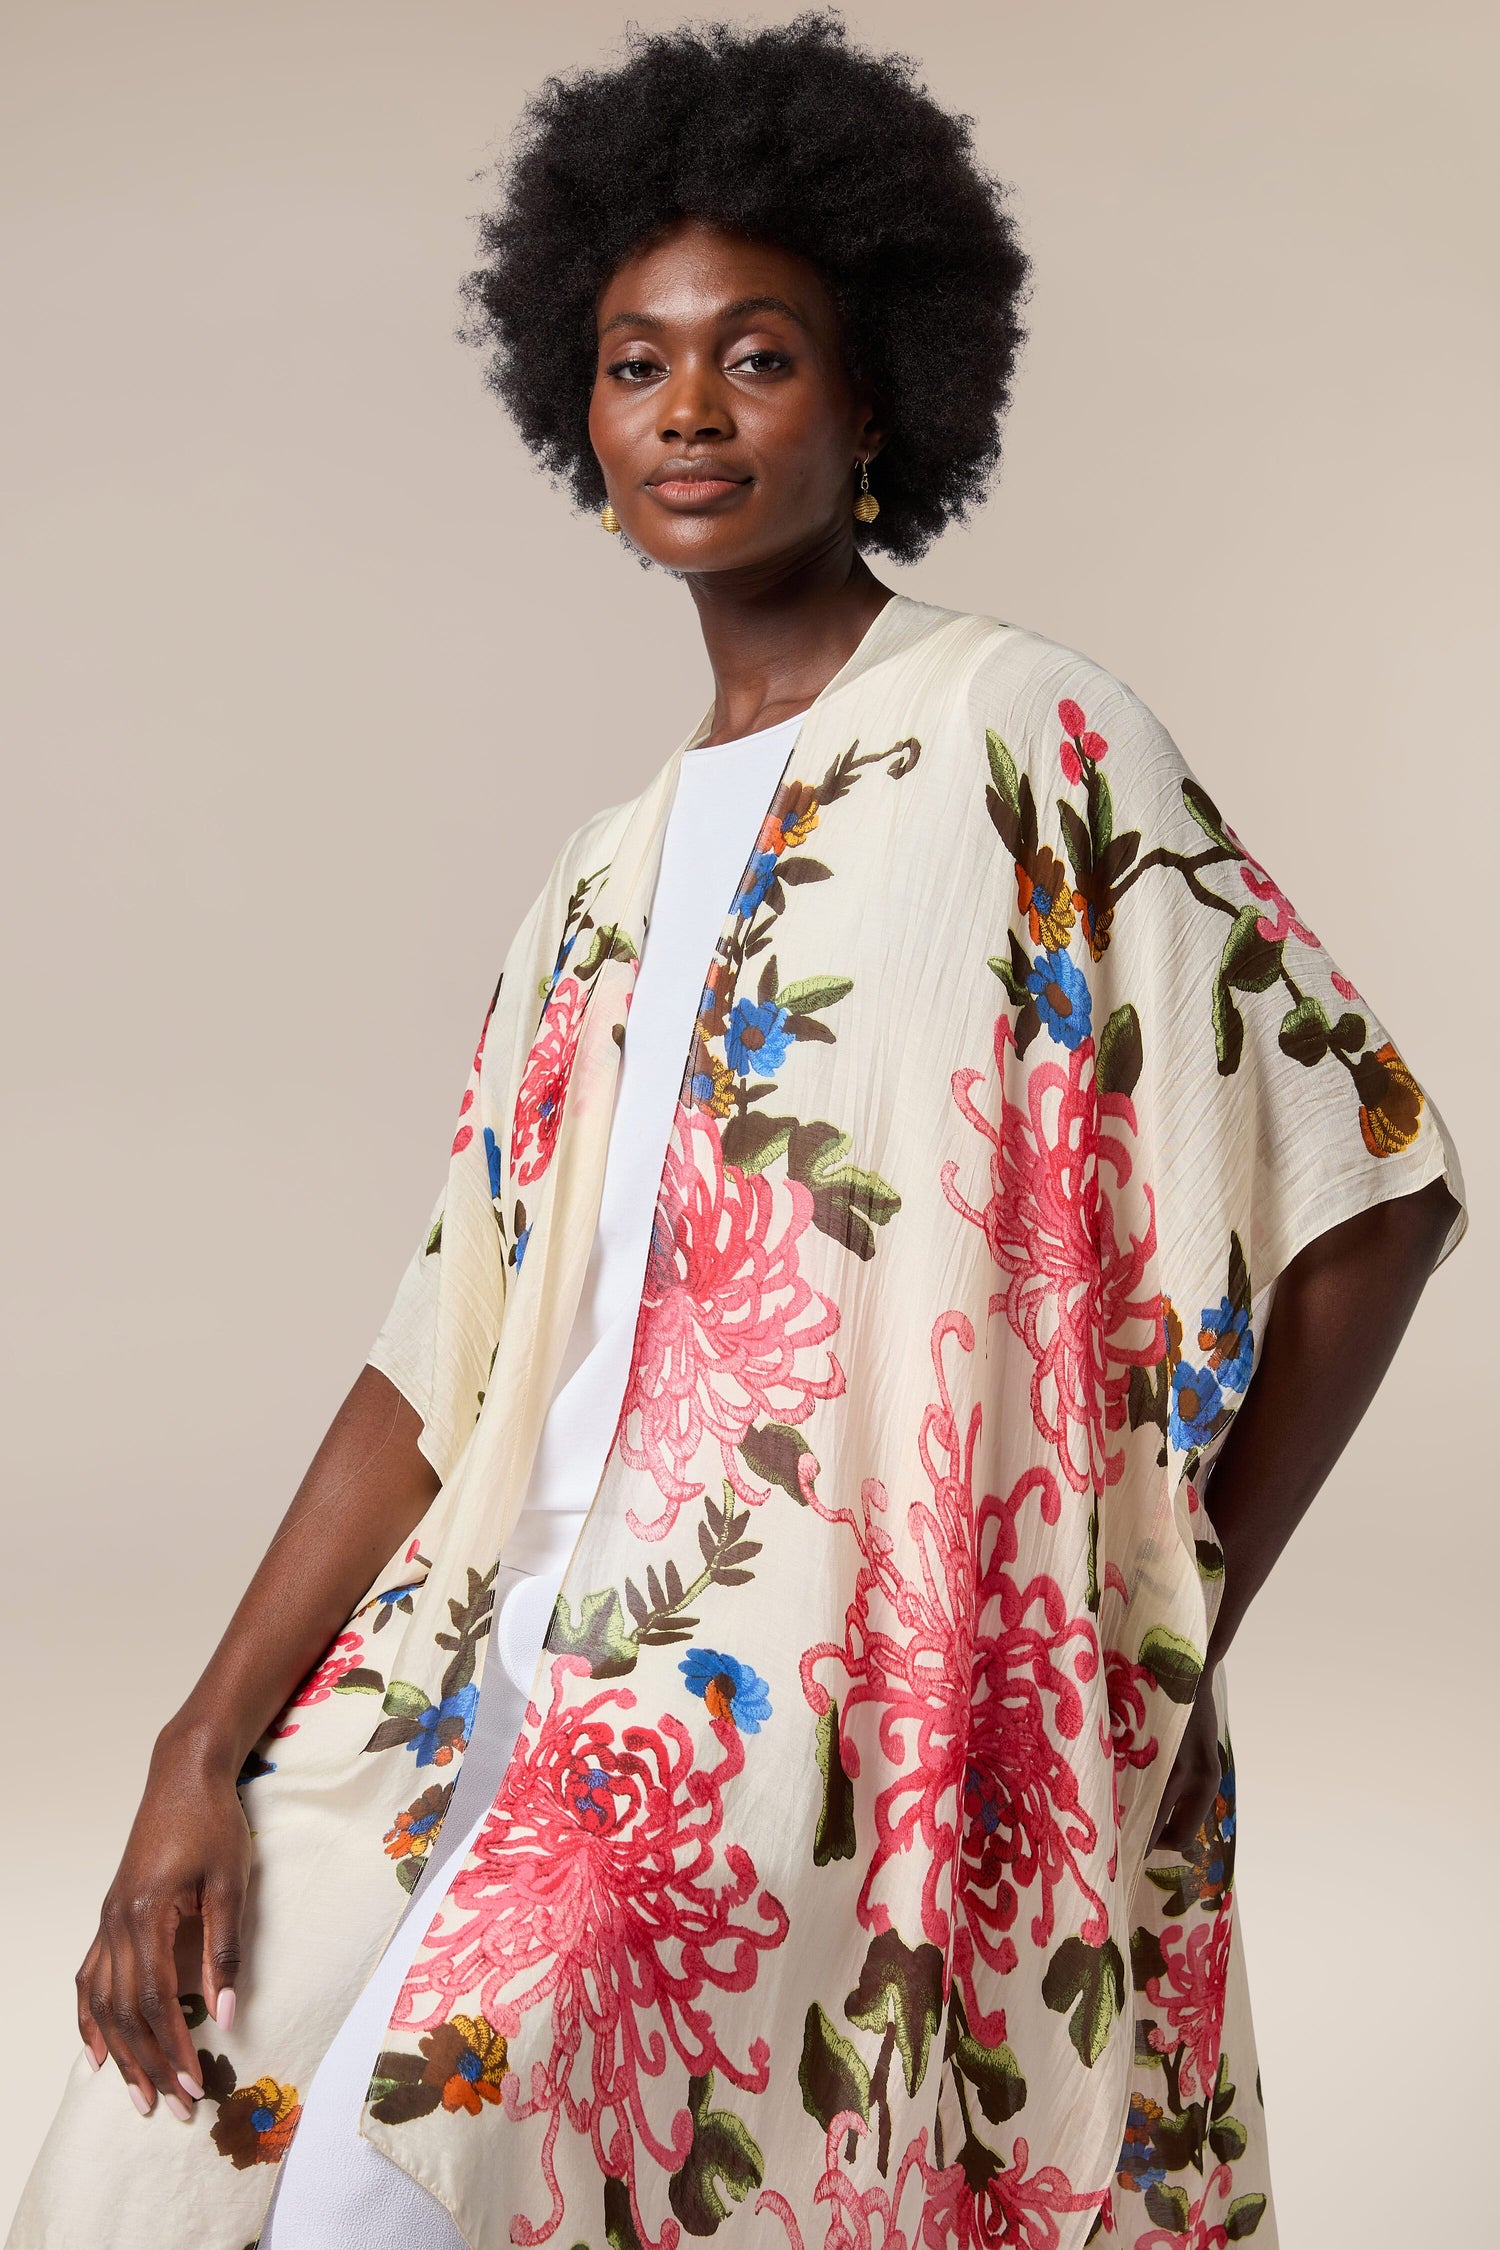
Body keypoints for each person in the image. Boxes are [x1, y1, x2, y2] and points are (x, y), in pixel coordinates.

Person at [8, 13, 1466, 2250]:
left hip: (779, 1723)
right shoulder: (593, 881)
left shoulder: (1024, 737)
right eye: (634, 362)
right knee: (166, 2143)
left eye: (756, 355)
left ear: (876, 393)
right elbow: (442, 1359)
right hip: (475, 1660)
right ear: (574, 412)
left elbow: (1363, 1173)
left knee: (390, 2198)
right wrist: (195, 1744)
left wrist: (1126, 1650)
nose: (687, 409)